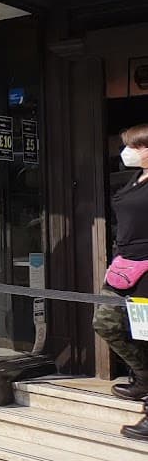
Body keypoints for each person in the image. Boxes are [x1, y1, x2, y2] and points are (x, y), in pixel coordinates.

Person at [94, 125, 148, 401]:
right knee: (106, 322)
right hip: (125, 265)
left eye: (135, 146)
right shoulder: (135, 178)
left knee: (145, 331)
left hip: (146, 268)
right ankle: (144, 375)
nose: (128, 152)